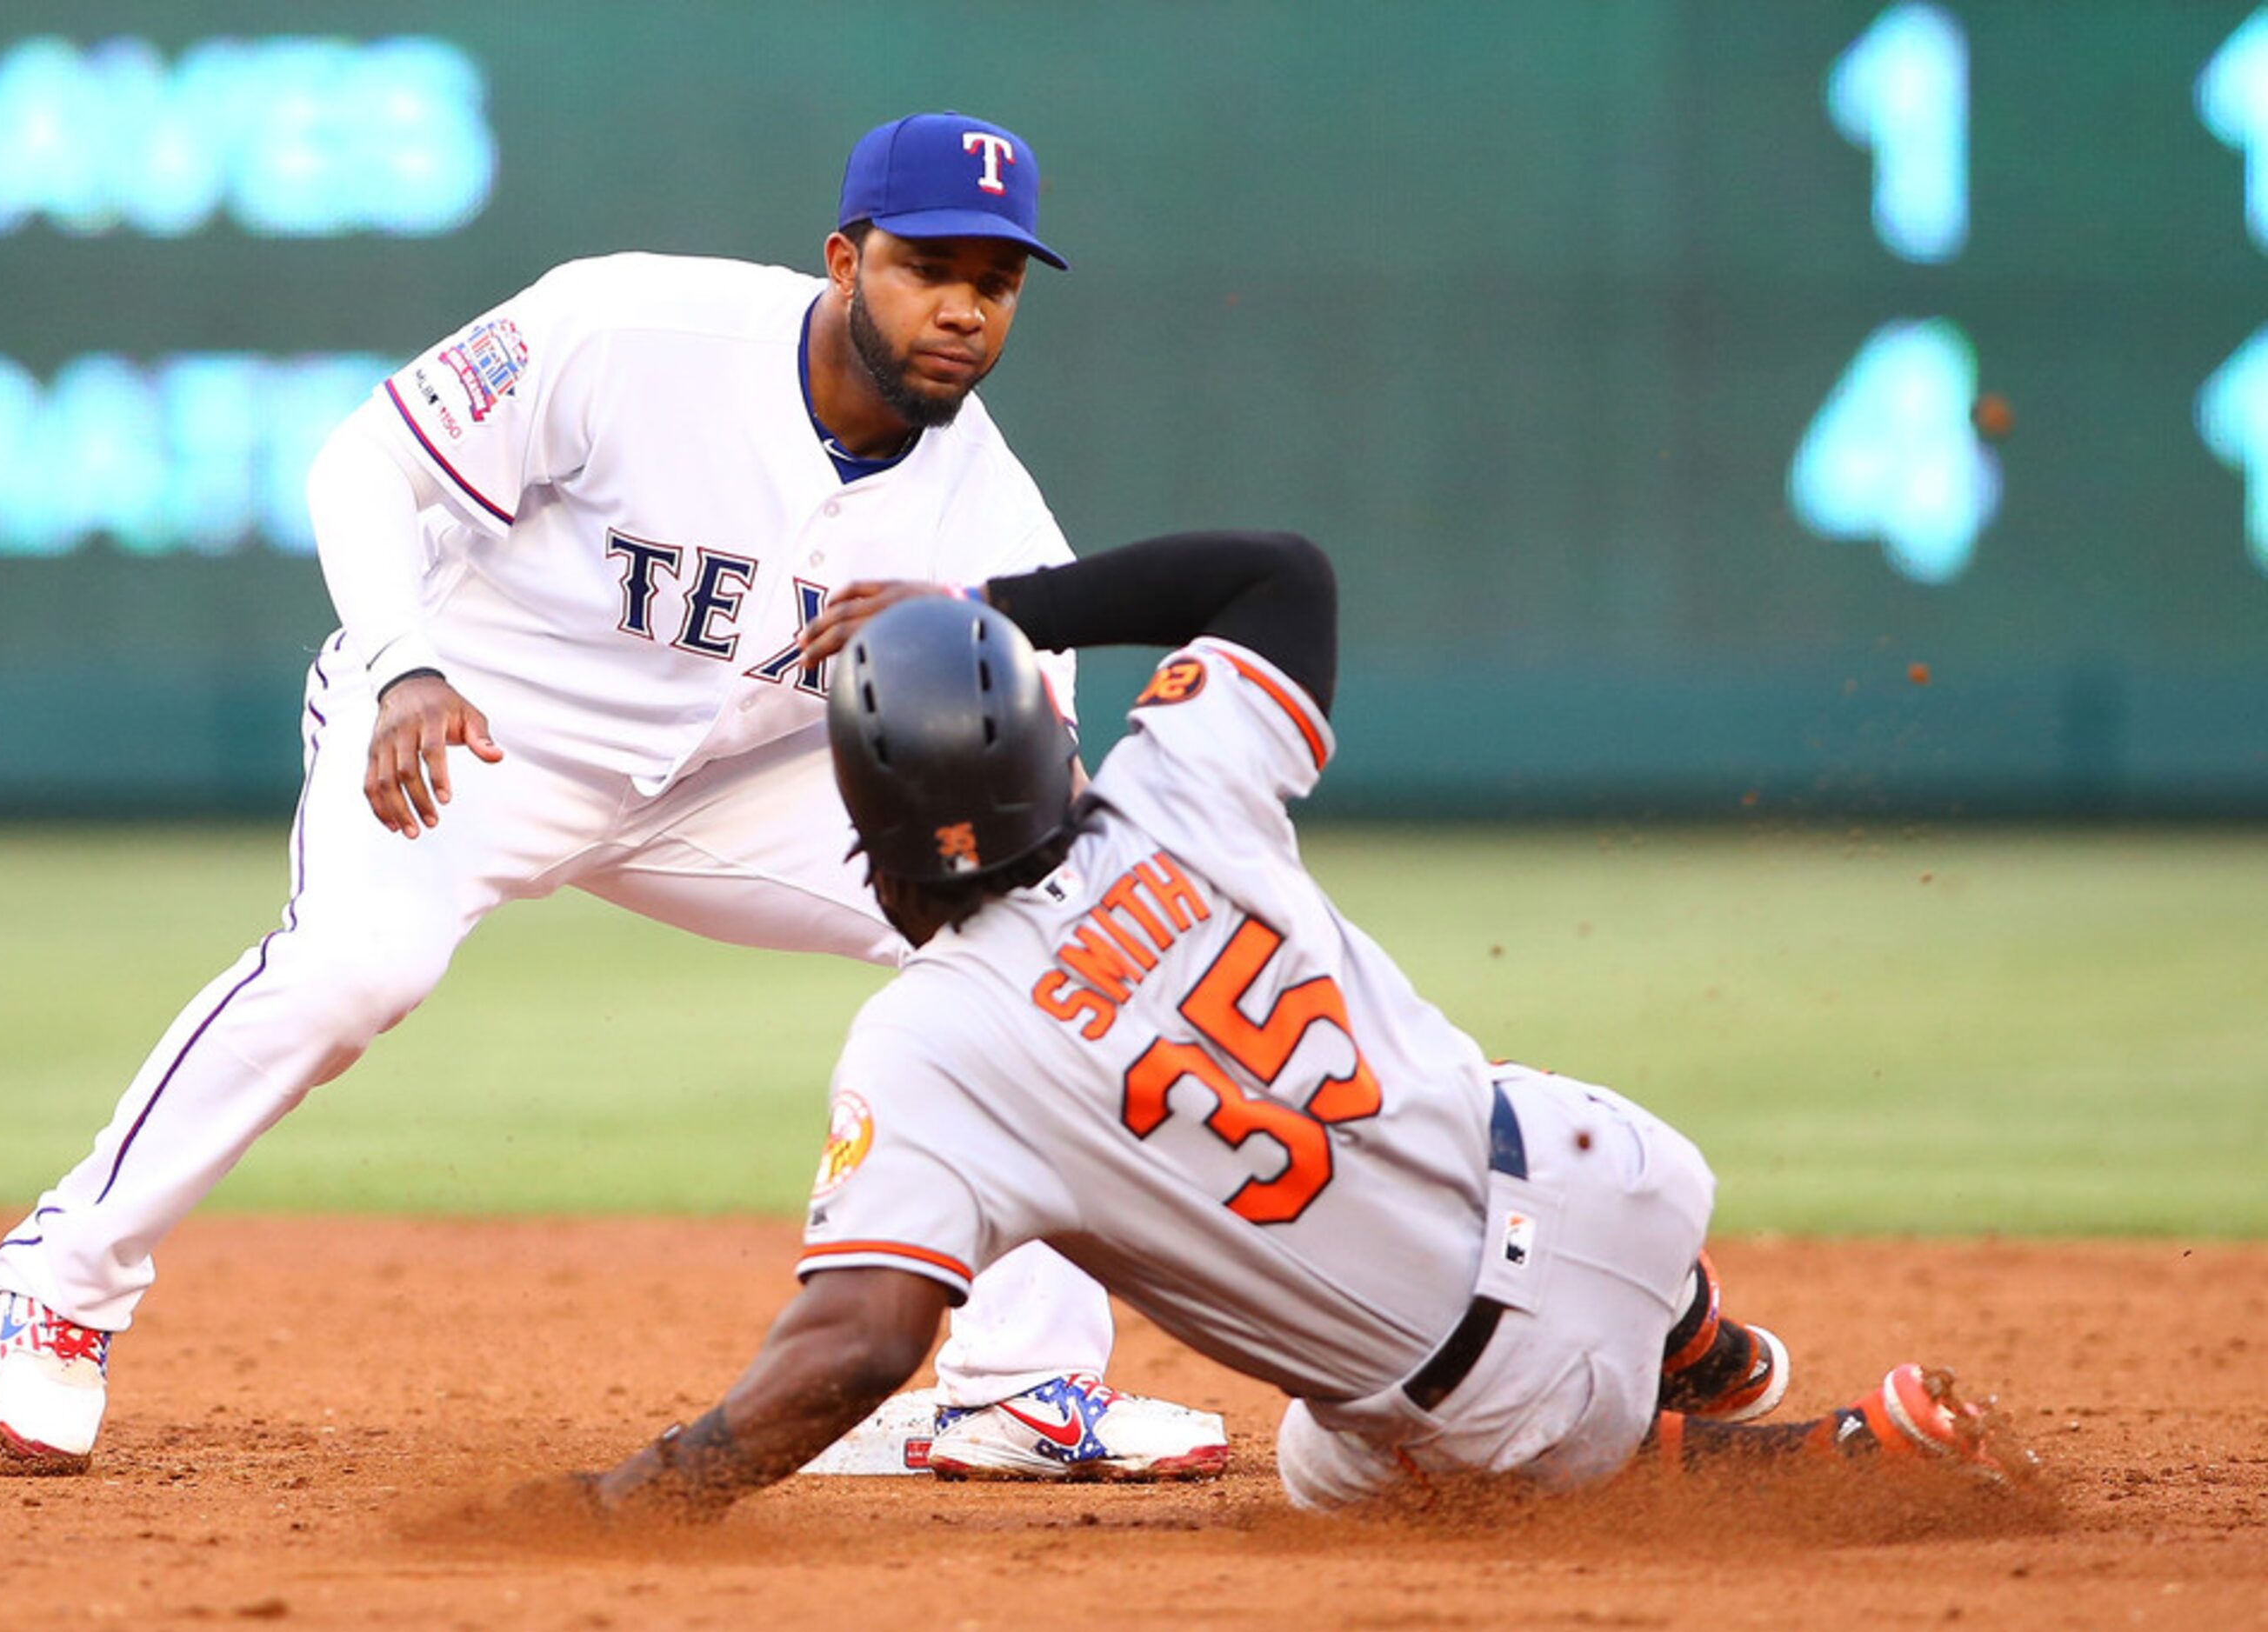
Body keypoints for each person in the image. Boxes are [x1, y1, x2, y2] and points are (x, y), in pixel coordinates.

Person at [0, 111, 1227, 1482]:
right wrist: (402, 659)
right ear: (842, 256)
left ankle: (1022, 1388)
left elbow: (1029, 770)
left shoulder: (990, 517)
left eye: (994, 285)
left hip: (729, 788)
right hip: (469, 726)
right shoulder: (632, 327)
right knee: (356, 969)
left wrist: (1018, 856)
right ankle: (64, 1274)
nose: (961, 311)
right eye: (928, 265)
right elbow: (364, 465)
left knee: (1036, 926)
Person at [557, 530, 2035, 1515]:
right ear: (1053, 743)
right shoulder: (1178, 788)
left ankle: (1810, 1459)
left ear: (869, 825)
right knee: (1471, 1102)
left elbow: (863, 1342)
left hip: (1507, 1406)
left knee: (1331, 1463)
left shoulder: (929, 1040)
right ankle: (1694, 1328)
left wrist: (635, 1494)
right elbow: (1284, 575)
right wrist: (993, 606)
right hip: (1622, 1172)